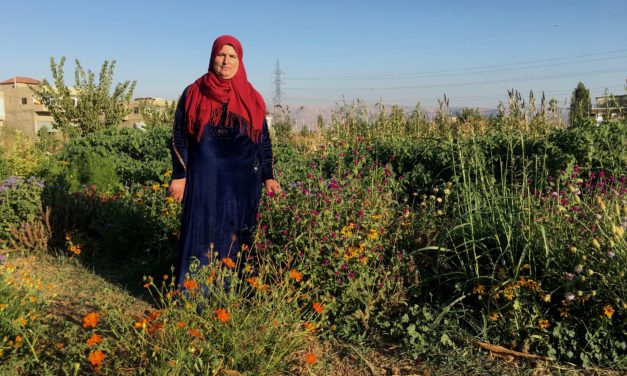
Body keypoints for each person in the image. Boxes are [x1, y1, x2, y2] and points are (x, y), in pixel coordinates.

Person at [169, 35, 281, 288]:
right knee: (202, 231)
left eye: (233, 56)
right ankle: (195, 295)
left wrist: (268, 175)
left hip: (242, 182)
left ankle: (232, 293)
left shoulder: (252, 97)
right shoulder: (194, 92)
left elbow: (262, 140)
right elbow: (179, 136)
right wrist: (180, 175)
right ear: (213, 57)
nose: (226, 61)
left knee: (236, 234)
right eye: (222, 55)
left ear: (240, 61)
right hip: (204, 179)